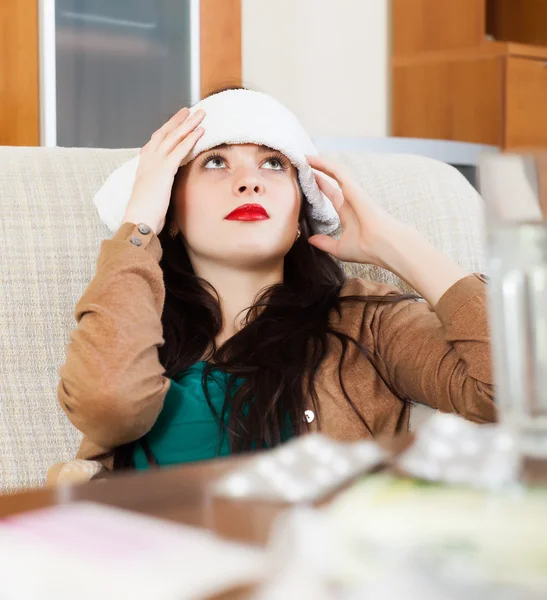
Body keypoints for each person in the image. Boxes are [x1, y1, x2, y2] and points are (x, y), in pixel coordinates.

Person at [49, 88, 496, 481]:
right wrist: (140, 226)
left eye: (274, 164)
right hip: (150, 567)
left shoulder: (366, 323)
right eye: (217, 162)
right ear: (173, 211)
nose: (249, 182)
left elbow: (512, 395)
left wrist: (400, 246)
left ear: (302, 212)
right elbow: (107, 405)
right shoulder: (134, 319)